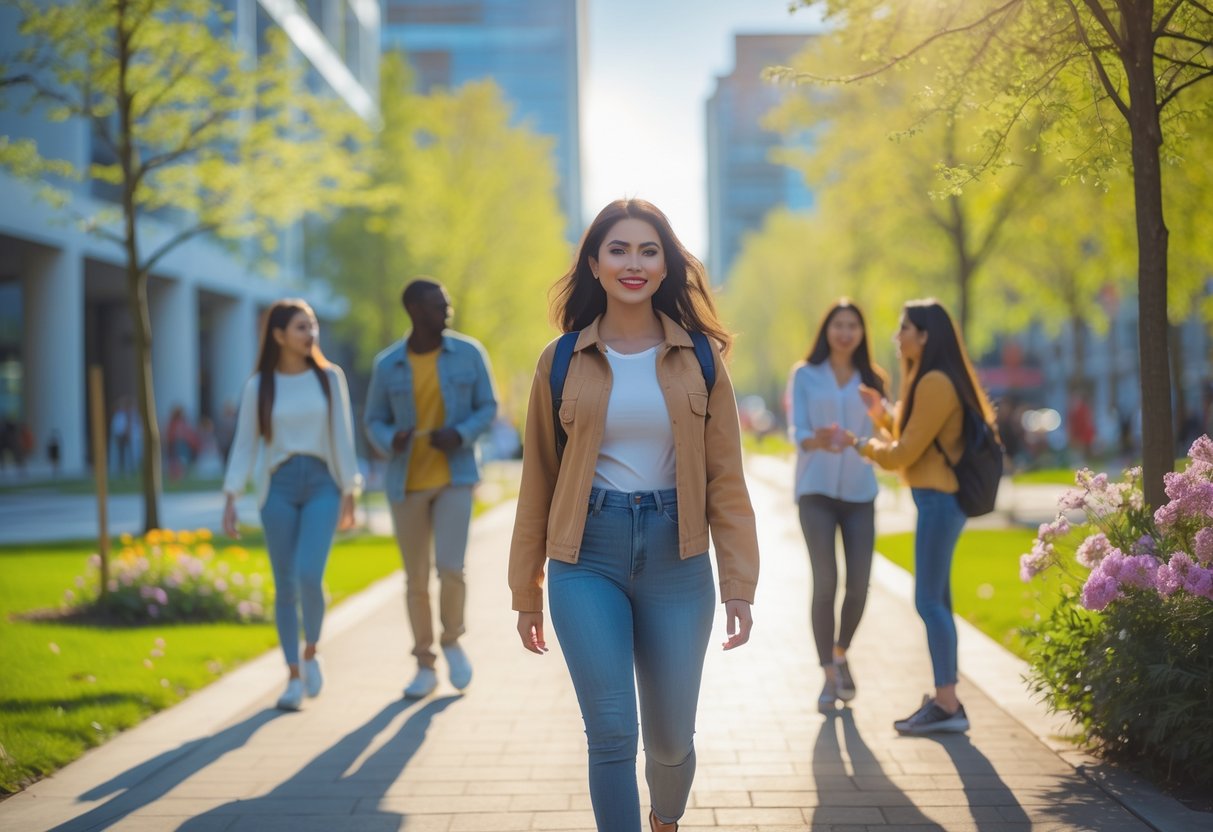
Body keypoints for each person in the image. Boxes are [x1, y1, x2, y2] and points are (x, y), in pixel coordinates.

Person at [509, 198, 760, 832]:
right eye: (618, 249)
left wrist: (739, 583)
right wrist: (525, 590)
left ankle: (665, 817)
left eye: (649, 250)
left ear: (666, 265)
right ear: (594, 263)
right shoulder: (560, 360)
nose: (633, 263)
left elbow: (726, 478)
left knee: (671, 741)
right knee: (613, 730)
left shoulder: (700, 357)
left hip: (678, 558)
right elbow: (537, 477)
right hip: (585, 555)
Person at [833, 298, 996, 736]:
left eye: (904, 327)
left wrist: (858, 442)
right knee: (937, 601)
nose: (896, 335)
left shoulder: (936, 383)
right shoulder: (932, 380)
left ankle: (947, 703)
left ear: (924, 336)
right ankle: (948, 700)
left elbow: (903, 453)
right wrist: (881, 413)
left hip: (940, 501)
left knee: (928, 601)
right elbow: (912, 436)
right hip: (936, 499)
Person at [222, 299, 361, 711]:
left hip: (322, 485)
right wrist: (231, 496)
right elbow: (245, 444)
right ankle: (293, 678)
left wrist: (350, 490)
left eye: (313, 325)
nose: (311, 333)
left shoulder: (329, 378)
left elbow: (342, 436)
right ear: (279, 335)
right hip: (277, 489)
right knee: (284, 587)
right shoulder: (259, 385)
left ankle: (312, 651)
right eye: (302, 327)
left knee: (307, 575)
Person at [364, 278, 498, 699]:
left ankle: (453, 640)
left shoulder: (470, 353)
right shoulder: (388, 365)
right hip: (407, 483)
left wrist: (460, 435)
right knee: (416, 579)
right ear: (414, 310)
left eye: (447, 303)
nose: (447, 310)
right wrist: (391, 440)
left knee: (452, 568)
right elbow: (373, 420)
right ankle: (424, 663)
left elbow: (488, 407)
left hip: (455, 476)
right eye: (438, 305)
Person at [788, 299, 888, 713]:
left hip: (860, 492)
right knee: (825, 580)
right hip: (815, 490)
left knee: (860, 583)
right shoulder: (805, 375)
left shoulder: (873, 379)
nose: (845, 332)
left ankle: (841, 650)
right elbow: (796, 430)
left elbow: (887, 432)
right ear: (826, 330)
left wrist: (878, 417)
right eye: (838, 325)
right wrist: (817, 440)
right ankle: (829, 674)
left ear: (862, 333)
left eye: (853, 325)